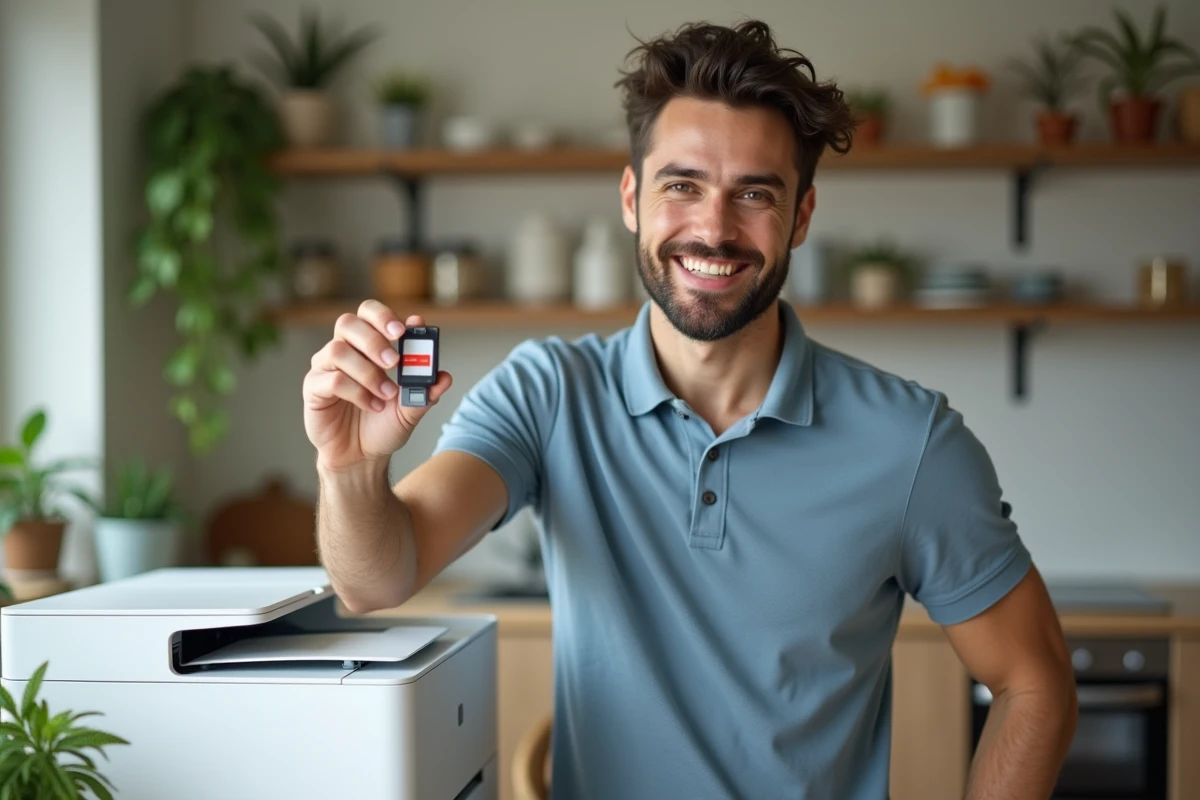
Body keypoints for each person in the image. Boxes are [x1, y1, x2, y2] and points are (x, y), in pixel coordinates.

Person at [302, 19, 1077, 800]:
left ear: (801, 218)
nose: (713, 228)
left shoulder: (912, 443)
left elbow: (1035, 685)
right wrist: (351, 468)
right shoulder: (546, 393)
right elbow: (378, 576)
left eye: (754, 194)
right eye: (683, 185)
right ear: (633, 199)